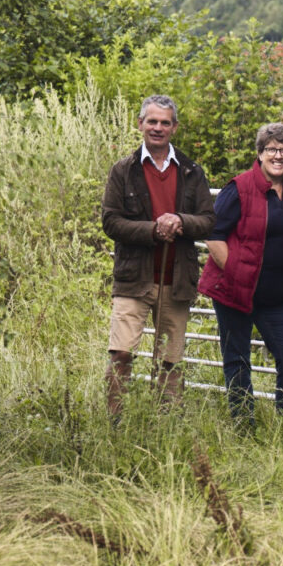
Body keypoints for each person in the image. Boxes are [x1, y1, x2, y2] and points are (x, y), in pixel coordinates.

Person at [199, 122, 283, 424]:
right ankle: (243, 426)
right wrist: (236, 274)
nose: (278, 156)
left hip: (276, 295)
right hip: (234, 290)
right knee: (238, 360)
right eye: (271, 150)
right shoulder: (239, 188)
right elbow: (213, 234)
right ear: (260, 154)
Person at [101, 95, 215, 417]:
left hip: (176, 279)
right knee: (121, 354)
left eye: (165, 122)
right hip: (134, 278)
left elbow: (208, 220)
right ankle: (116, 422)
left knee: (169, 359)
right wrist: (153, 230)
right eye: (152, 121)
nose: (158, 128)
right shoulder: (123, 170)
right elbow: (110, 221)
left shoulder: (192, 171)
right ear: (140, 124)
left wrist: (180, 221)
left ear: (174, 128)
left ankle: (165, 422)